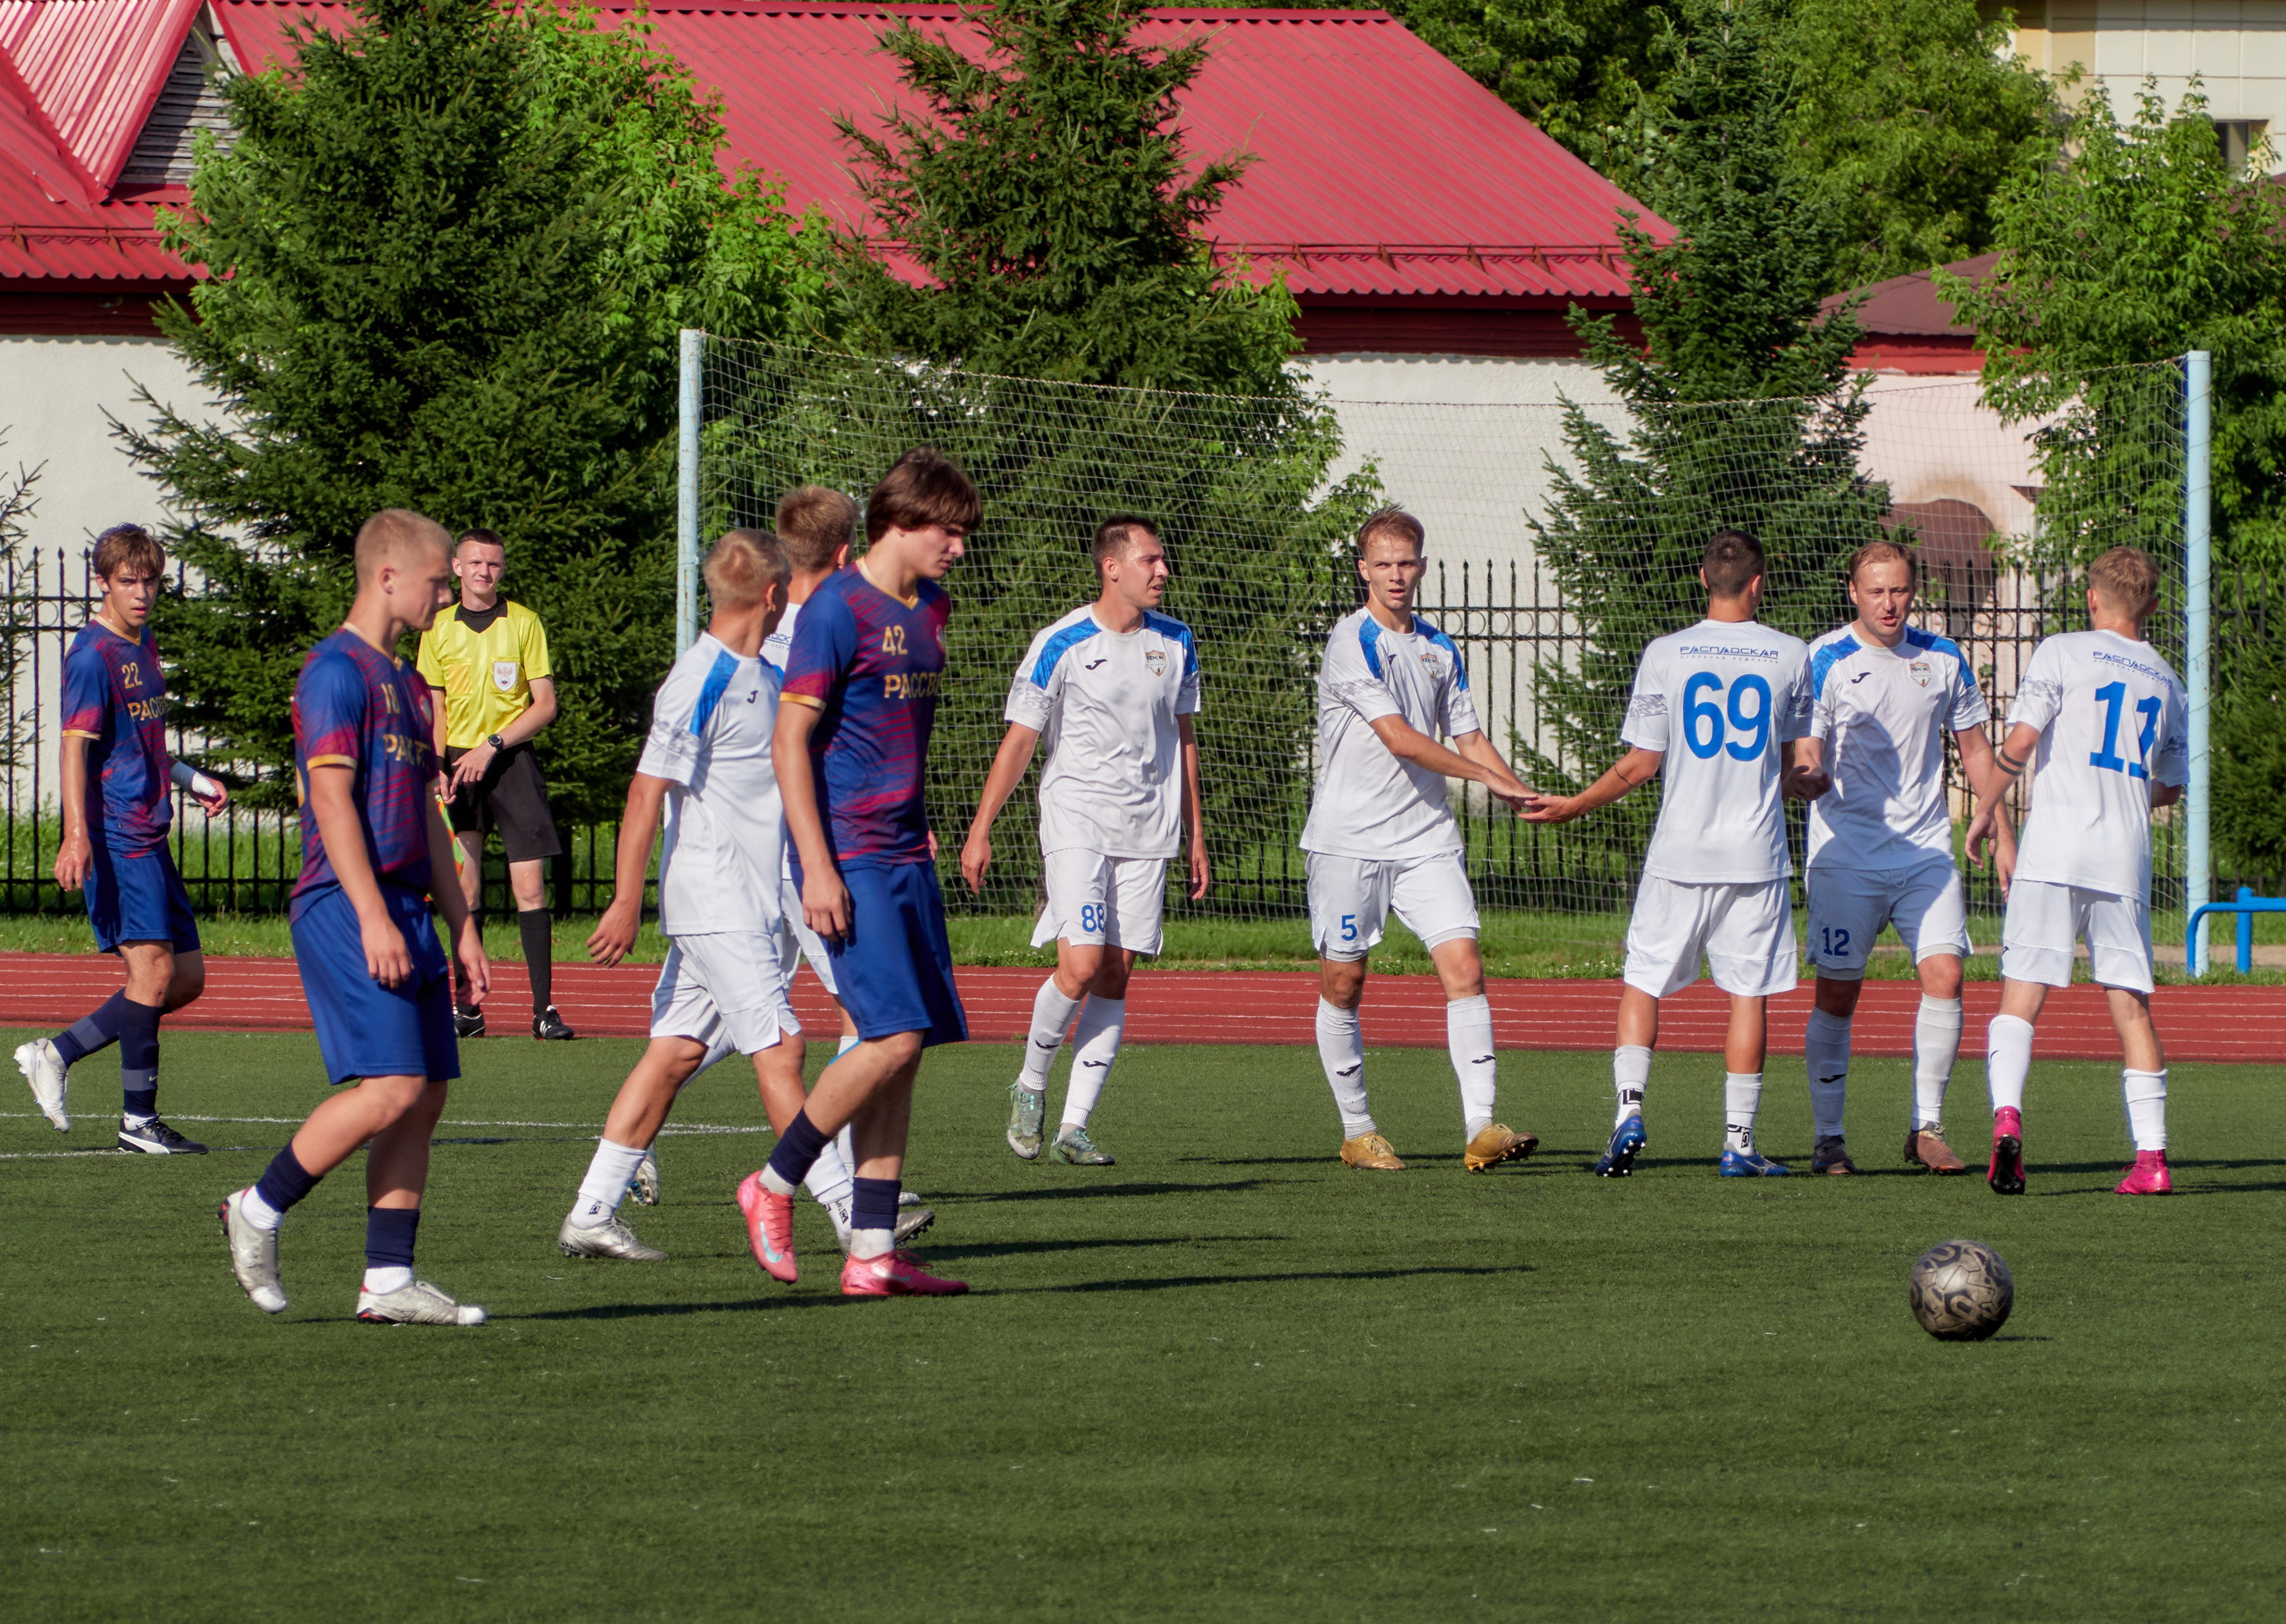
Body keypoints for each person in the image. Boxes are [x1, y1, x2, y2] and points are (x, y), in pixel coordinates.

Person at [560, 531, 926, 1259]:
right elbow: (644, 791)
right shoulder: (699, 677)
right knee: (783, 1047)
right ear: (770, 595)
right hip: (712, 900)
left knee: (674, 1054)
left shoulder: (765, 669)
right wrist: (627, 898)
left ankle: (591, 1210)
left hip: (751, 901)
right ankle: (847, 1212)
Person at [219, 510, 492, 1325]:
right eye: (438, 579)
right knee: (393, 1085)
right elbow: (332, 801)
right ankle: (257, 1208)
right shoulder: (333, 671)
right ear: (386, 577)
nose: (445, 592)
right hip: (347, 903)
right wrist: (373, 917)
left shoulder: (409, 684)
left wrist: (464, 924)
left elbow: (428, 822)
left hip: (406, 904)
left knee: (429, 1091)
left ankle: (387, 1279)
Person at [738, 447, 976, 1298]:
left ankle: (871, 1251)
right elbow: (788, 742)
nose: (958, 545)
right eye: (948, 530)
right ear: (903, 522)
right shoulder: (835, 608)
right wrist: (817, 869)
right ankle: (771, 1183)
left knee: (906, 1056)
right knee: (891, 1035)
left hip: (907, 850)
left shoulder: (935, 607)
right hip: (852, 854)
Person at [1524, 529, 1815, 1178]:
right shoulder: (1792, 654)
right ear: (1759, 583)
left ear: (1703, 579)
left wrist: (1572, 803)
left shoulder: (1667, 652)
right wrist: (1804, 783)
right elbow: (1798, 766)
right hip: (1754, 856)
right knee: (1748, 994)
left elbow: (1640, 763)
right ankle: (1738, 1144)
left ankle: (1628, 1111)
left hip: (1678, 852)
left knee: (1644, 979)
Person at [964, 515, 1210, 1166]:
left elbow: (1185, 740)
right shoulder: (1063, 642)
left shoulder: (1177, 640)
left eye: (1164, 560)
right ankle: (1029, 1085)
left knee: (1114, 975)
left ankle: (1074, 1125)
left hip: (1149, 831)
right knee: (1078, 965)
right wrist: (981, 827)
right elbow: (1020, 740)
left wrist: (1195, 836)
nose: (1163, 571)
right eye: (1151, 560)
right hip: (1076, 822)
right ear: (1112, 567)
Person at [1299, 507, 1539, 1174]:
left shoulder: (1440, 647)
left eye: (1406, 563)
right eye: (1383, 564)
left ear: (1423, 565)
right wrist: (1484, 778)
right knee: (1344, 982)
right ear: (1363, 570)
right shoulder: (1351, 642)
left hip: (1426, 838)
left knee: (1465, 966)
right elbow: (1401, 737)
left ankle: (1482, 1127)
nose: (1396, 575)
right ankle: (1357, 1130)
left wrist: (1515, 787)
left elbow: (1467, 733)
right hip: (1350, 840)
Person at [1962, 545, 2187, 1196]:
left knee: (2021, 995)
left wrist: (1985, 810)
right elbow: (2168, 787)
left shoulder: (2062, 650)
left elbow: (2024, 739)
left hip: (2054, 849)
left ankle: (2008, 1122)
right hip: (2122, 857)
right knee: (2131, 1007)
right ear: (2149, 605)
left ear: (2093, 598)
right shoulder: (2168, 681)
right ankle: (2152, 1160)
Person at [1790, 540, 2015, 1176]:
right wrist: (1805, 774)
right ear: (1853, 592)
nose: (1890, 603)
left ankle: (1927, 1127)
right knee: (1838, 993)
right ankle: (1829, 1138)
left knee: (1945, 975)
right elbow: (1807, 744)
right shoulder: (1826, 657)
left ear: (1914, 591)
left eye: (1900, 590)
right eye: (1877, 590)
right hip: (1846, 855)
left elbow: (1976, 750)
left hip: (1925, 853)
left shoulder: (1942, 657)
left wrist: (2002, 829)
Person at [14, 524, 227, 1153]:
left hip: (150, 827)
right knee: (152, 971)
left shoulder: (145, 641)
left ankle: (56, 1050)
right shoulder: (91, 656)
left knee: (183, 978)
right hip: (114, 835)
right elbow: (74, 750)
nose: (141, 593)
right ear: (102, 582)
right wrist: (75, 836)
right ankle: (138, 1121)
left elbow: (142, 738)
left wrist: (189, 777)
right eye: (128, 581)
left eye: (150, 580)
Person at [416, 528, 572, 1041]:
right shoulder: (436, 628)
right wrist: (436, 764)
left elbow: (544, 705)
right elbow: (435, 707)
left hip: (510, 760)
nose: (486, 572)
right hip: (458, 764)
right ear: (457, 567)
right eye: (476, 563)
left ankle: (544, 1011)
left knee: (529, 886)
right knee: (464, 886)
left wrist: (494, 746)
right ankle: (469, 1007)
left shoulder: (524, 622)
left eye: (495, 565)